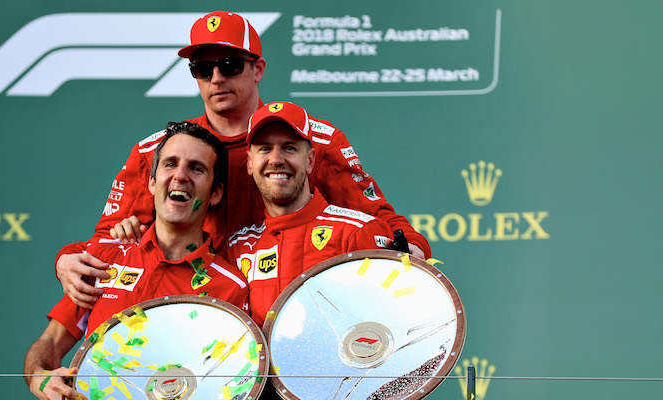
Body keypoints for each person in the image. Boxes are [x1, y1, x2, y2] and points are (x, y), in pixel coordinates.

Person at [55, 10, 431, 311]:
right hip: (204, 311)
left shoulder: (315, 139)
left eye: (231, 64)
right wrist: (67, 260)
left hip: (296, 309)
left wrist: (411, 250)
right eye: (203, 69)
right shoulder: (164, 153)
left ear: (258, 69)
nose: (217, 77)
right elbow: (106, 240)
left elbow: (380, 219)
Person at [23, 122, 249, 400]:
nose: (180, 176)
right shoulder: (105, 260)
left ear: (215, 193)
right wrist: (40, 377)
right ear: (152, 183)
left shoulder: (230, 288)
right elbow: (48, 344)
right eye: (170, 164)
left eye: (196, 168)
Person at [225, 101, 395, 326]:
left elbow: (388, 327)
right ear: (249, 163)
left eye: (289, 148)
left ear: (310, 160)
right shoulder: (238, 247)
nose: (276, 160)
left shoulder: (357, 232)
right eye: (265, 148)